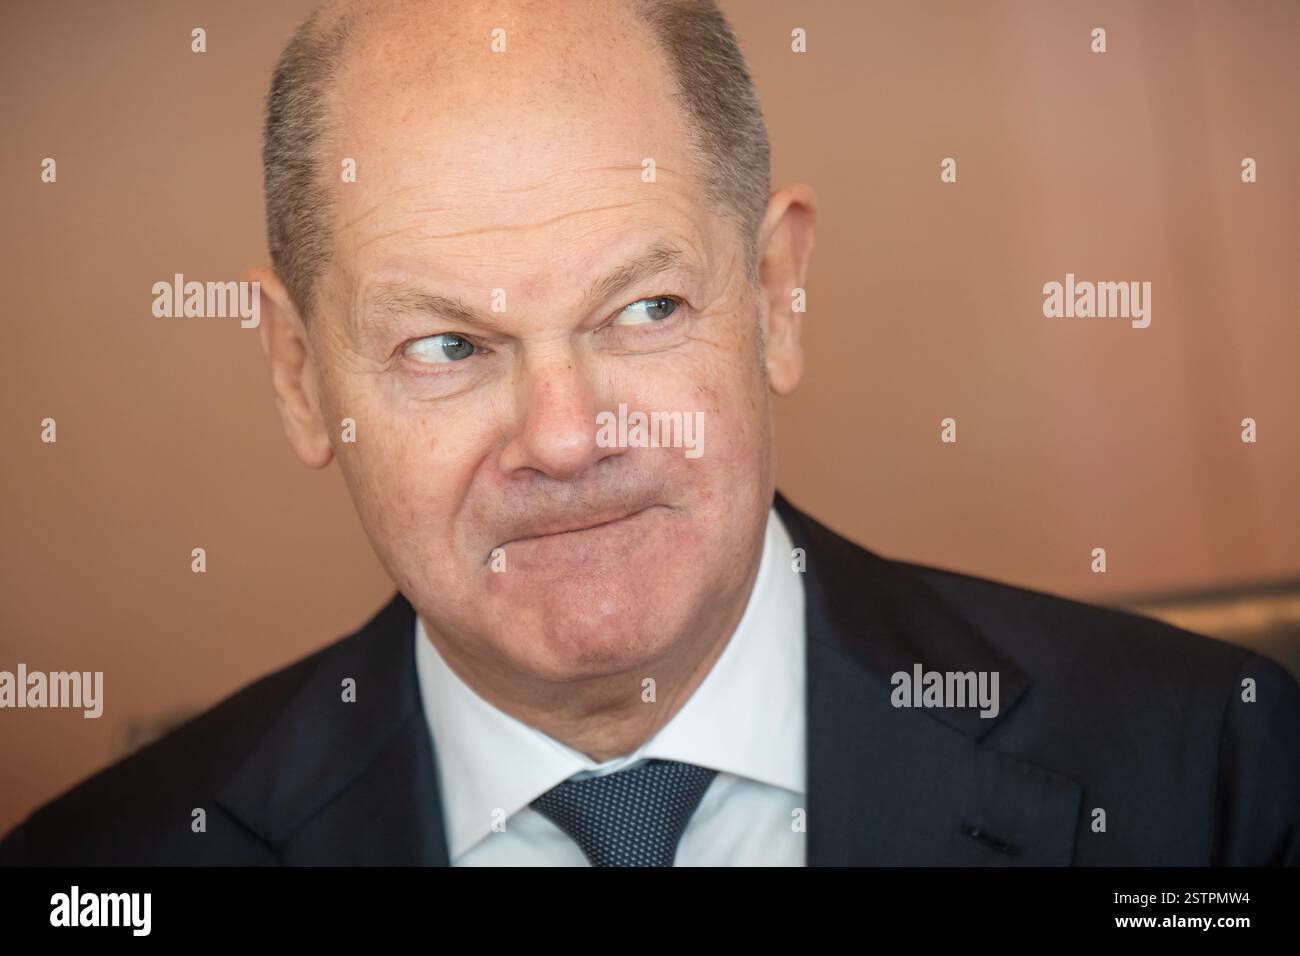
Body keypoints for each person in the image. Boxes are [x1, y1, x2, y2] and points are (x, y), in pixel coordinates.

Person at [2, 0, 1296, 866]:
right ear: (299, 376)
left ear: (777, 297)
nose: (564, 440)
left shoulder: (1218, 774)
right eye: (448, 346)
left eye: (643, 308)